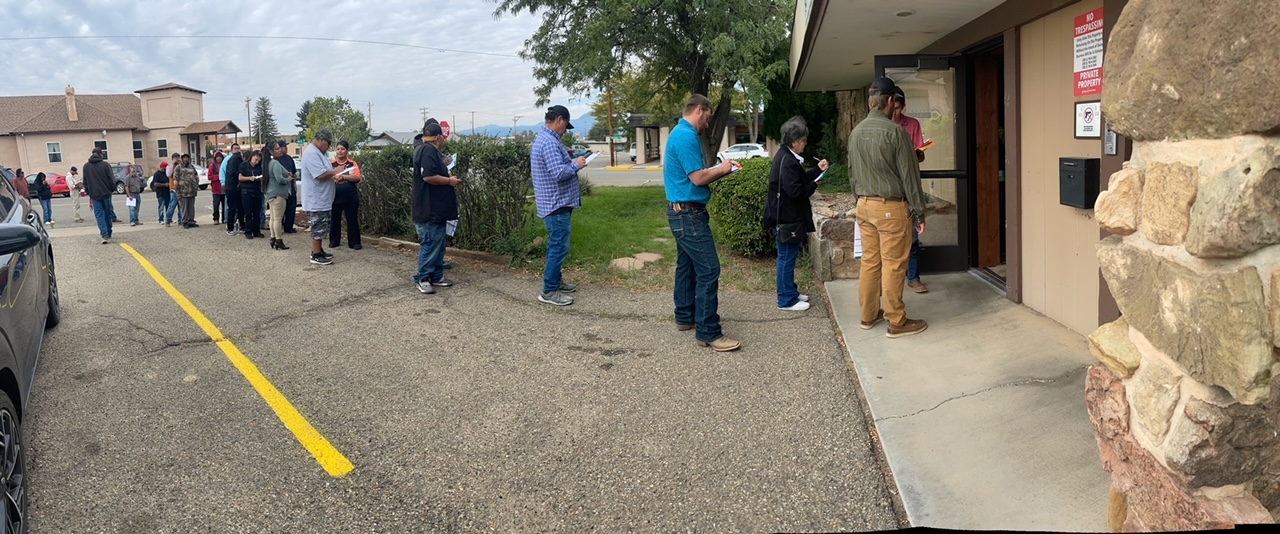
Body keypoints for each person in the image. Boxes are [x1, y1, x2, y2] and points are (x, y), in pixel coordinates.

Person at [849, 77, 929, 338]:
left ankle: (868, 315)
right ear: (891, 101)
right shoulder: (896, 132)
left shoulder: (856, 131)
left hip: (864, 205)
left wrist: (858, 200)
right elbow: (909, 176)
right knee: (894, 265)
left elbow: (852, 173)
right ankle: (897, 321)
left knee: (870, 263)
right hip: (891, 208)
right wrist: (919, 211)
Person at [663, 94, 742, 352]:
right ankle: (709, 332)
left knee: (687, 266)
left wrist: (723, 172)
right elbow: (697, 178)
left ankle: (685, 317)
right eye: (708, 117)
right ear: (700, 110)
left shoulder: (679, 133)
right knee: (709, 270)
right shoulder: (686, 136)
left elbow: (692, 180)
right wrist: (723, 168)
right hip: (689, 215)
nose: (709, 123)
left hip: (682, 211)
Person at [765, 116, 828, 311]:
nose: (805, 144)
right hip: (785, 218)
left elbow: (799, 180)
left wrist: (817, 170)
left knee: (788, 256)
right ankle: (786, 300)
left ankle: (790, 292)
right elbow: (796, 191)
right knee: (786, 257)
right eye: (803, 140)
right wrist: (814, 185)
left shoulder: (787, 157)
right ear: (794, 142)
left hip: (786, 216)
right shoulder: (788, 161)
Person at [530, 105, 587, 306]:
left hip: (554, 203)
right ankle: (549, 290)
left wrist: (572, 162)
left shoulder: (546, 140)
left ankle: (556, 280)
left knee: (558, 245)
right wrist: (576, 164)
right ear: (560, 120)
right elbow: (559, 173)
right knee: (559, 247)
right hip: (557, 204)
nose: (566, 131)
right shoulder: (549, 143)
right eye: (566, 126)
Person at [411, 121, 459, 291]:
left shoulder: (427, 150)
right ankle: (422, 278)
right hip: (429, 208)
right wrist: (449, 181)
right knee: (430, 243)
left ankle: (436, 276)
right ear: (438, 138)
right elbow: (428, 177)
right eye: (443, 138)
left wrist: (444, 165)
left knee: (438, 244)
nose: (444, 141)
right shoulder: (427, 150)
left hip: (436, 208)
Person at [891, 87, 929, 294]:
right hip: (890, 186)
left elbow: (921, 155)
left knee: (914, 236)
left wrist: (917, 153)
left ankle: (914, 278)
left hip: (909, 184)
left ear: (902, 107)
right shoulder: (884, 127)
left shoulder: (912, 124)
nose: (895, 112)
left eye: (898, 108)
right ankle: (893, 279)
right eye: (892, 108)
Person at [300, 129, 345, 265]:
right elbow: (319, 175)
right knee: (318, 227)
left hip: (322, 198)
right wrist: (335, 171)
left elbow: (325, 173)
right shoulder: (312, 153)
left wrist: (334, 177)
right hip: (316, 199)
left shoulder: (319, 153)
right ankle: (316, 254)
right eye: (329, 143)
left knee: (322, 226)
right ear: (321, 140)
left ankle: (319, 249)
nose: (329, 147)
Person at [329, 140, 363, 250]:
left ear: (347, 151)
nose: (340, 151)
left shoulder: (352, 164)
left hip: (350, 198)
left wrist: (344, 177)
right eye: (338, 149)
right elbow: (327, 178)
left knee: (352, 220)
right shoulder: (331, 164)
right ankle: (334, 240)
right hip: (334, 198)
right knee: (334, 220)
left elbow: (357, 178)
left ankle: (354, 242)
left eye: (342, 149)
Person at [83, 148, 116, 244]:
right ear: (100, 154)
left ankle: (104, 234)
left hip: (94, 195)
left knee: (99, 215)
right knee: (108, 213)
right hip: (106, 194)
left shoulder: (86, 166)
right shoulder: (105, 165)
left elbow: (85, 181)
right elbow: (111, 178)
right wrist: (112, 189)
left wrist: (89, 192)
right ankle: (108, 232)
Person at [266, 142, 293, 250]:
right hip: (278, 194)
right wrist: (288, 179)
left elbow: (283, 173)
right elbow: (280, 179)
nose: (280, 150)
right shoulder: (275, 163)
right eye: (277, 149)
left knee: (272, 218)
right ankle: (279, 240)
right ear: (271, 151)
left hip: (271, 193)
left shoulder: (268, 163)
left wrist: (287, 174)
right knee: (277, 219)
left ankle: (273, 238)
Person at [239, 150, 266, 239]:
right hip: (247, 191)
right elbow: (240, 177)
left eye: (258, 161)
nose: (256, 162)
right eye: (255, 159)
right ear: (252, 157)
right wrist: (249, 178)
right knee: (248, 212)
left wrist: (260, 178)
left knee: (257, 212)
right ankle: (248, 231)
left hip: (257, 191)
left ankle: (256, 231)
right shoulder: (244, 165)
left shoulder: (258, 167)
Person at [223, 144, 244, 235]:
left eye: (238, 148)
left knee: (241, 208)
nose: (237, 150)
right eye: (235, 149)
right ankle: (230, 227)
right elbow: (232, 172)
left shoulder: (240, 159)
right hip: (232, 187)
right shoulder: (233, 159)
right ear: (231, 150)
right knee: (232, 208)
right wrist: (241, 173)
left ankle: (242, 225)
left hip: (239, 188)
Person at [174, 154, 200, 228]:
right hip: (183, 192)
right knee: (184, 209)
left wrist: (195, 187)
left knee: (191, 208)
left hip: (192, 192)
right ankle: (185, 222)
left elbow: (196, 177)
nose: (186, 159)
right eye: (184, 158)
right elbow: (176, 180)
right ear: (182, 159)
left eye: (187, 158)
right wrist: (178, 193)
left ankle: (191, 221)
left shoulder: (192, 167)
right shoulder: (178, 167)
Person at [209, 151, 224, 224]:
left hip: (224, 188)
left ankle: (224, 218)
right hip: (216, 189)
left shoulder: (224, 164)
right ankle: (216, 218)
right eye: (217, 157)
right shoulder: (212, 165)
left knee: (225, 205)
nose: (219, 158)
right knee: (216, 205)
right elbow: (210, 176)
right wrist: (219, 177)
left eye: (220, 157)